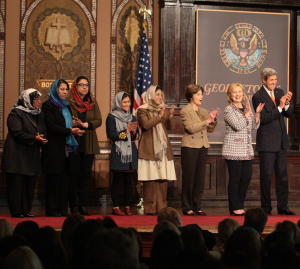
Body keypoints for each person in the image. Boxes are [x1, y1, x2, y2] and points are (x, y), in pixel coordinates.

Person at [252, 67, 294, 216]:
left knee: (283, 177)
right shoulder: (257, 96)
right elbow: (264, 118)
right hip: (267, 143)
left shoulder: (279, 93)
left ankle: (283, 207)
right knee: (266, 177)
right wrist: (280, 107)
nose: (274, 83)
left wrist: (287, 104)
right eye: (271, 80)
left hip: (281, 142)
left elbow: (288, 114)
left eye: (275, 80)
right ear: (264, 80)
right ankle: (266, 209)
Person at [1, 89, 47, 218]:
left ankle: (26, 210)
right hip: (16, 155)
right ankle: (16, 211)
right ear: (28, 100)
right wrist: (34, 138)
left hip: (31, 155)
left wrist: (41, 137)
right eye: (36, 99)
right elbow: (16, 132)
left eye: (39, 99)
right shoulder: (16, 113)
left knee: (29, 185)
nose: (39, 102)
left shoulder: (39, 114)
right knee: (16, 185)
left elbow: (43, 130)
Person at [42, 79, 85, 217]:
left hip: (66, 150)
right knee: (53, 182)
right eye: (62, 89)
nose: (65, 92)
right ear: (55, 90)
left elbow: (63, 123)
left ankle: (62, 209)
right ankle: (52, 210)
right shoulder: (47, 105)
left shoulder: (65, 106)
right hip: (54, 149)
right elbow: (51, 125)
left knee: (64, 182)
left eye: (66, 89)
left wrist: (73, 124)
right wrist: (70, 131)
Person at [222, 82, 264, 216]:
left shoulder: (246, 108)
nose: (237, 94)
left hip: (246, 150)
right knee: (235, 179)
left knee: (246, 178)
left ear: (243, 93)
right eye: (234, 92)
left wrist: (256, 114)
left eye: (239, 91)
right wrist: (248, 113)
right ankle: (234, 207)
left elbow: (253, 127)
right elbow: (237, 125)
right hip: (233, 150)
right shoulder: (228, 110)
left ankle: (240, 205)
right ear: (230, 95)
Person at [137, 85, 176, 216]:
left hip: (163, 148)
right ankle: (150, 209)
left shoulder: (163, 109)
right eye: (157, 94)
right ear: (151, 95)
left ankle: (162, 208)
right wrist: (159, 116)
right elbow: (146, 125)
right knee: (150, 179)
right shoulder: (142, 110)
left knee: (162, 179)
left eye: (161, 95)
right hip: (149, 148)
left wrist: (169, 116)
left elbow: (170, 127)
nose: (160, 97)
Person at [180, 84, 219, 216]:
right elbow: (190, 128)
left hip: (202, 146)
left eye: (201, 94)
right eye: (198, 94)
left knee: (199, 179)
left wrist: (213, 120)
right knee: (189, 178)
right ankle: (187, 207)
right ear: (191, 96)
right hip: (190, 147)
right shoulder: (185, 111)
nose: (201, 97)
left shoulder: (202, 111)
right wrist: (207, 121)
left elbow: (209, 129)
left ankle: (197, 206)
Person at [69, 76, 102, 216]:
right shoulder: (68, 103)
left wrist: (86, 125)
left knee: (85, 177)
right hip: (74, 143)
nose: (84, 87)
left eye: (86, 85)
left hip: (88, 143)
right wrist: (74, 123)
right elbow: (64, 120)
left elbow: (99, 120)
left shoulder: (93, 103)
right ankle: (73, 206)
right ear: (75, 87)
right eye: (81, 84)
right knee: (73, 176)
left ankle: (82, 205)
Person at [106, 91, 139, 215]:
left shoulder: (132, 117)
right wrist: (126, 131)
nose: (127, 104)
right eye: (124, 102)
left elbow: (136, 135)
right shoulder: (111, 117)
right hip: (119, 152)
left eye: (128, 102)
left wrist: (134, 133)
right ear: (119, 103)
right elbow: (112, 135)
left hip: (130, 152)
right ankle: (115, 207)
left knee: (128, 181)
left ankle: (127, 206)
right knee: (117, 180)